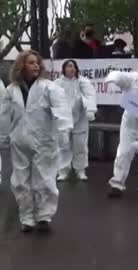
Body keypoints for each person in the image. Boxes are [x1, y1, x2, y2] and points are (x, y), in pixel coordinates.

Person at [0, 50, 73, 233]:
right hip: (19, 141)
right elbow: (4, 115)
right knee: (20, 181)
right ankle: (26, 218)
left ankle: (43, 216)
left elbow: (61, 108)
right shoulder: (11, 90)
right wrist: (3, 136)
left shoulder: (49, 87)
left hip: (44, 140)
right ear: (21, 65)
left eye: (37, 63)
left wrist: (64, 130)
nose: (36, 66)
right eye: (31, 62)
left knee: (45, 180)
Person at [105, 59, 138, 198]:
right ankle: (116, 184)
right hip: (129, 124)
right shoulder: (132, 78)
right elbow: (119, 76)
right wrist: (111, 80)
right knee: (123, 153)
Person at [54, 60, 97, 181]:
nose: (71, 69)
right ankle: (63, 170)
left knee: (80, 145)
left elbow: (90, 95)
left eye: (73, 67)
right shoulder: (57, 83)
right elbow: (52, 98)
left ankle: (80, 170)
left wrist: (90, 110)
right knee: (63, 145)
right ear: (64, 69)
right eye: (69, 66)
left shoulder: (83, 82)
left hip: (80, 118)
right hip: (63, 118)